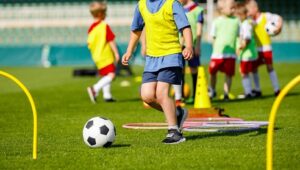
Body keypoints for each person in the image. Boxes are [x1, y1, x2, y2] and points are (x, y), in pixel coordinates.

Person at [122, 0, 193, 144]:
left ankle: (175, 132)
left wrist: (189, 46)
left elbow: (185, 27)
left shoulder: (172, 4)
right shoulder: (141, 5)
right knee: (147, 96)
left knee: (161, 93)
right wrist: (129, 50)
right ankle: (177, 113)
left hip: (171, 55)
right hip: (151, 58)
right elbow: (136, 30)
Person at [246, 0, 283, 96]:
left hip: (266, 48)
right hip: (255, 49)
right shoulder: (250, 21)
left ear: (255, 8)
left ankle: (277, 89)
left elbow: (278, 18)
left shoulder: (266, 16)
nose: (248, 12)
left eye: (249, 10)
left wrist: (279, 26)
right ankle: (257, 90)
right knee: (254, 69)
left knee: (270, 68)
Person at [86, 1, 120, 103]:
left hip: (97, 56)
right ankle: (94, 89)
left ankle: (107, 96)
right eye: (105, 13)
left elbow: (89, 43)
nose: (106, 15)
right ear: (100, 14)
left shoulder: (91, 29)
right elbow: (110, 40)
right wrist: (116, 53)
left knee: (106, 74)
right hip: (106, 55)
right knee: (112, 75)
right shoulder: (104, 26)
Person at [173, 0, 204, 106]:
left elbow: (199, 30)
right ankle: (180, 96)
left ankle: (196, 95)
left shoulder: (198, 10)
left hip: (192, 45)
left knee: (194, 69)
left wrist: (198, 46)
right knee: (179, 70)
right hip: (179, 45)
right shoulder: (177, 8)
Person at [209, 0, 239, 100]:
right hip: (217, 54)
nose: (233, 9)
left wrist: (238, 48)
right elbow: (213, 37)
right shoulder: (217, 21)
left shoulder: (236, 21)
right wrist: (214, 49)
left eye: (234, 7)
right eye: (231, 8)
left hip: (230, 54)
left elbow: (239, 36)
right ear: (222, 9)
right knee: (212, 72)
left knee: (229, 74)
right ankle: (212, 90)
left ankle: (226, 93)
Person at [235, 2, 260, 99]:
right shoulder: (248, 22)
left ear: (241, 15)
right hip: (252, 53)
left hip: (246, 54)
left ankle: (248, 92)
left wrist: (240, 48)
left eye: (237, 15)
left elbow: (247, 38)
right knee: (254, 71)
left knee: (243, 72)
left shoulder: (245, 24)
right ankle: (257, 89)